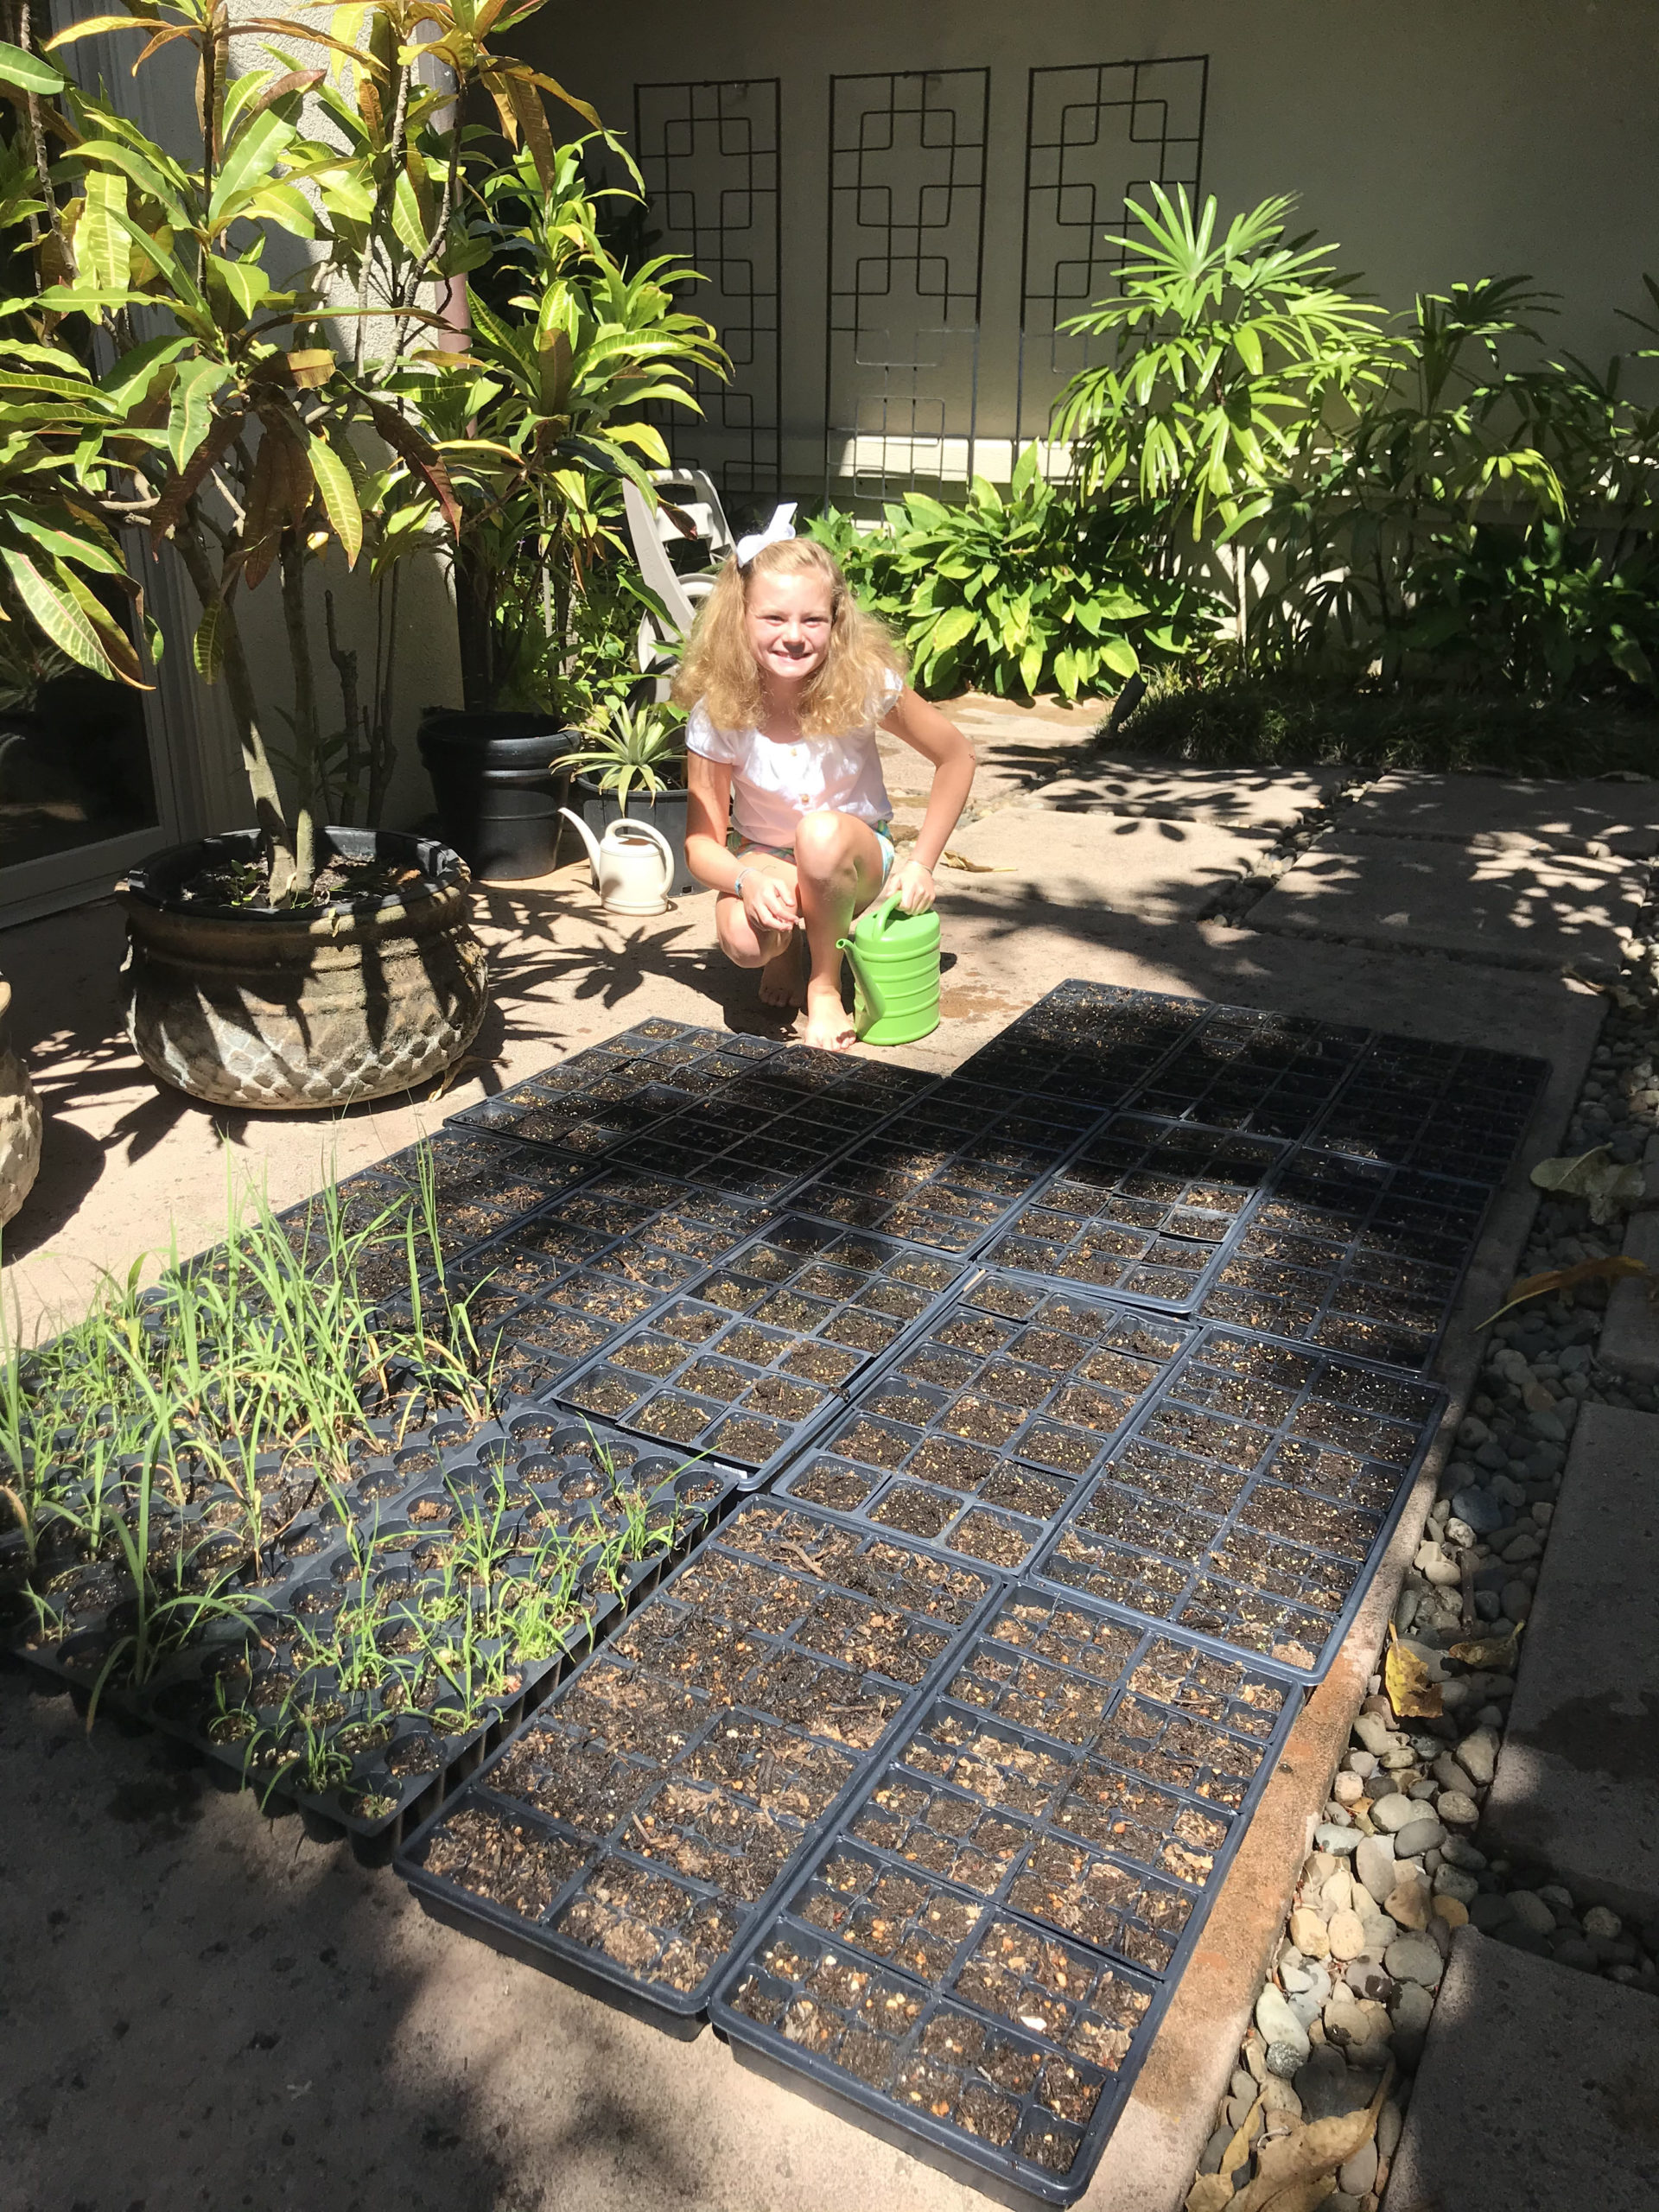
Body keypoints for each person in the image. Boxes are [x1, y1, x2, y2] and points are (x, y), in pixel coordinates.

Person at [676, 520, 976, 1051]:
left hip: (852, 857)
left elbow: (956, 756)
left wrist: (922, 863)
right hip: (765, 854)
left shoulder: (863, 682)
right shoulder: (719, 709)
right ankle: (785, 948)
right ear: (739, 618)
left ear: (836, 622)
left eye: (812, 619)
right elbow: (701, 844)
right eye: (773, 617)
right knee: (745, 943)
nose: (793, 635)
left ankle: (822, 985)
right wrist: (746, 880)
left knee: (817, 834)